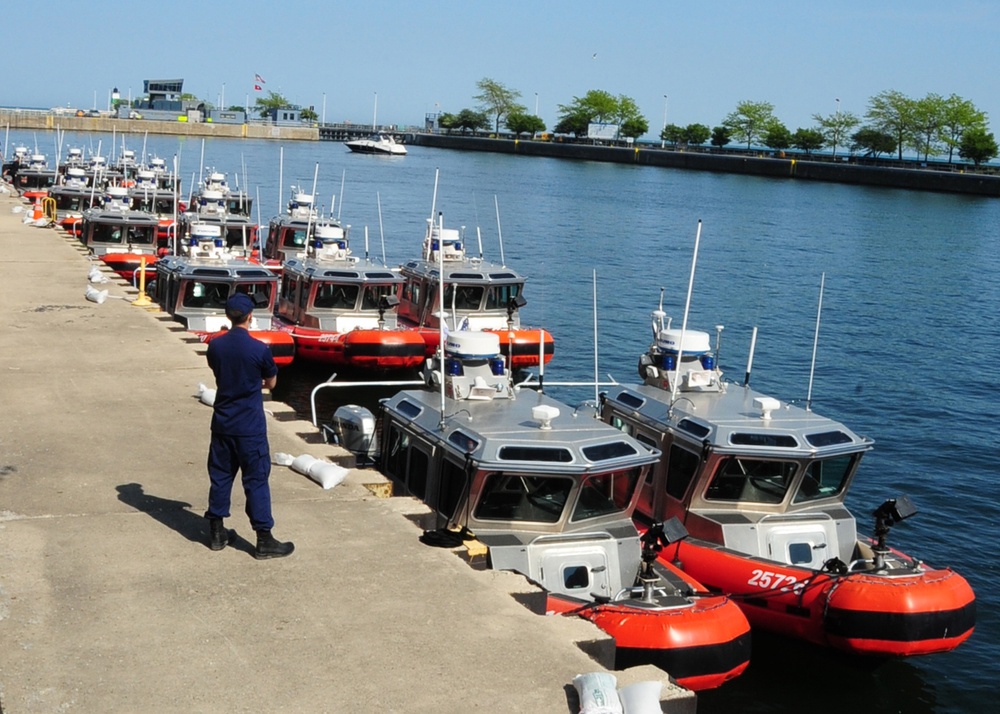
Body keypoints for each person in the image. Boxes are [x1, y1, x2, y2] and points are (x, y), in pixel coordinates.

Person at [204, 293, 294, 559]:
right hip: (250, 427)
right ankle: (264, 539)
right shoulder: (259, 349)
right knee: (255, 480)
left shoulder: (215, 346)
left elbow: (217, 371)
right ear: (250, 317)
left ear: (228, 317)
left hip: (222, 423)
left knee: (220, 476)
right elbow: (272, 383)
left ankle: (217, 533)